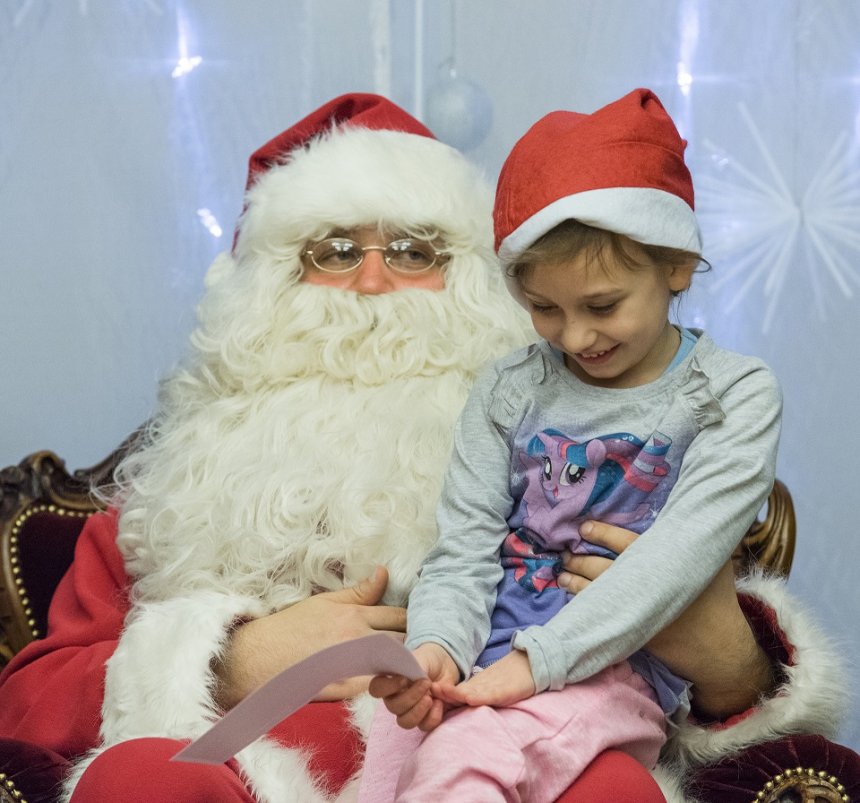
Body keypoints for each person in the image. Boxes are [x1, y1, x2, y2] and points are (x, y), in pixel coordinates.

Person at [0, 93, 844, 803]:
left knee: (607, 784)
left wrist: (725, 657)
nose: (373, 283)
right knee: (140, 780)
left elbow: (686, 701)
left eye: (413, 251)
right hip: (240, 779)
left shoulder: (585, 446)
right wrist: (229, 659)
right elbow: (28, 702)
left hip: (518, 760)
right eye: (334, 250)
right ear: (265, 286)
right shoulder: (177, 488)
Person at [364, 88, 844, 802]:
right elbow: (463, 549)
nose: (576, 336)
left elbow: (674, 565)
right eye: (544, 309)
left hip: (608, 675)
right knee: (385, 775)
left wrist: (535, 663)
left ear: (676, 265)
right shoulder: (508, 389)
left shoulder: (730, 394)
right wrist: (435, 648)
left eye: (602, 305)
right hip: (481, 663)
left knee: (460, 765)